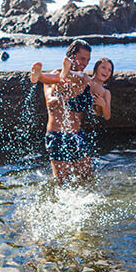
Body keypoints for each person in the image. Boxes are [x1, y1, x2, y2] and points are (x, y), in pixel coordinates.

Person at [29, 39, 102, 183]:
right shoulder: (54, 75)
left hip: (77, 134)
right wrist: (66, 96)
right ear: (71, 56)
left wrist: (101, 104)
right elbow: (51, 103)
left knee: (87, 179)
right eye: (82, 58)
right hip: (57, 136)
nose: (85, 63)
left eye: (88, 60)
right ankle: (39, 76)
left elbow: (98, 112)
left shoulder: (83, 80)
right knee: (62, 182)